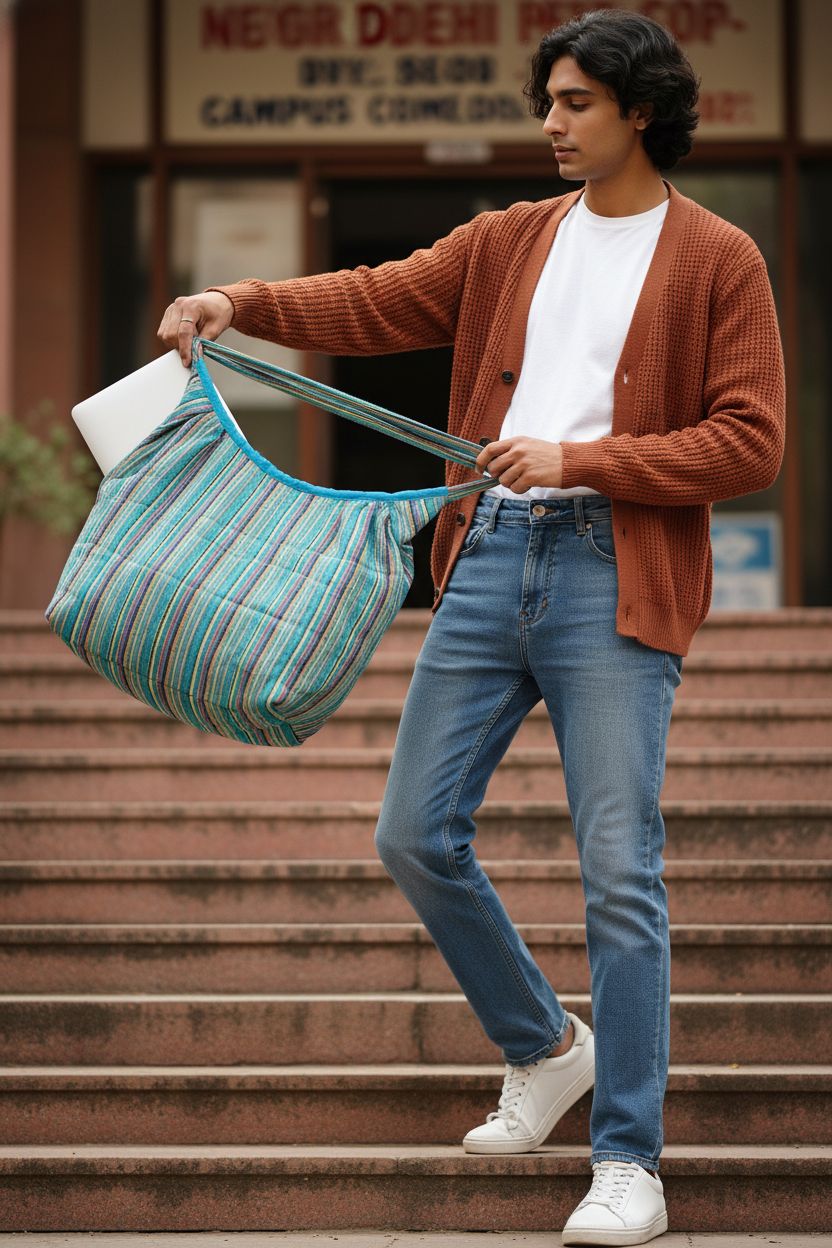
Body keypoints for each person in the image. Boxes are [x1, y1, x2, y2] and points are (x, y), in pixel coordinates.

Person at [158, 9, 785, 1244]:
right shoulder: (510, 240)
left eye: (571, 103)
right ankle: (546, 1043)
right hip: (490, 557)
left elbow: (751, 440)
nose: (547, 124)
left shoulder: (719, 257)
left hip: (616, 571)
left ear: (639, 109)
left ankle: (629, 1160)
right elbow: (380, 298)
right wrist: (240, 298)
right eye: (545, 102)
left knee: (619, 872)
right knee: (412, 832)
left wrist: (584, 460)